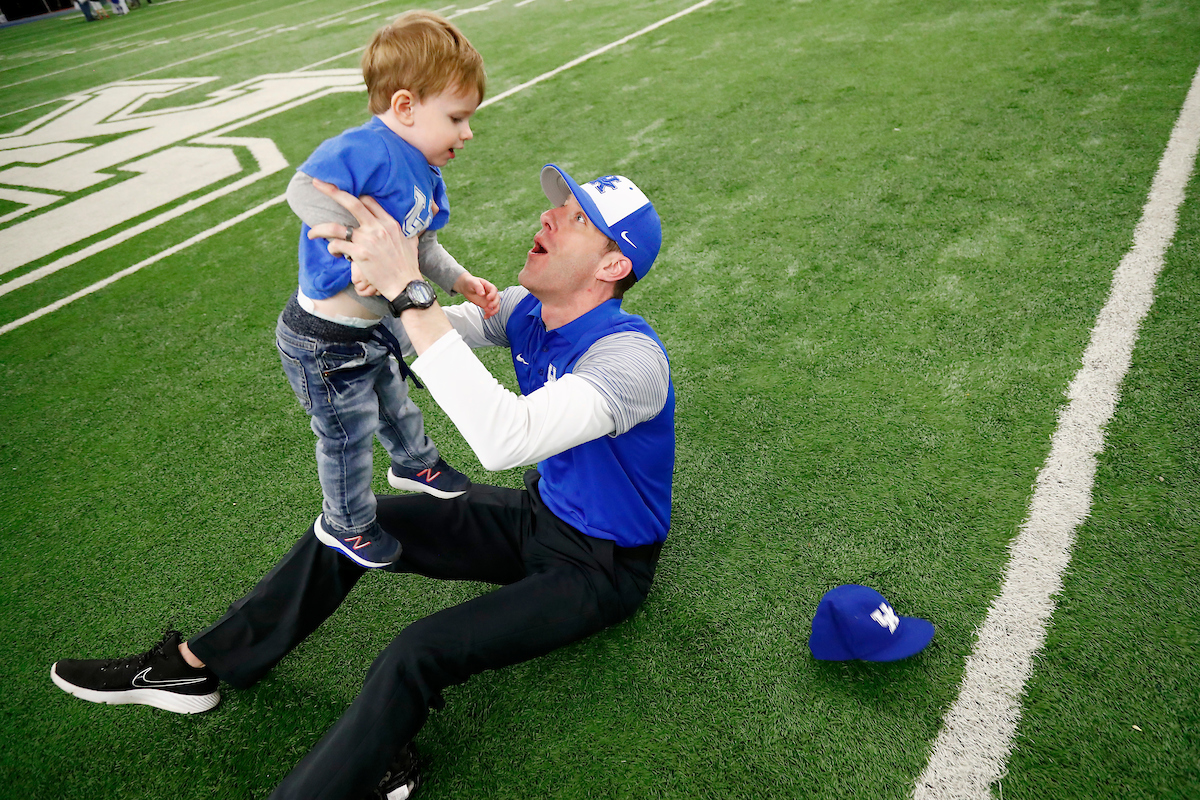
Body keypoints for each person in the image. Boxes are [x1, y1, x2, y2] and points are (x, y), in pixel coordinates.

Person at [51, 163, 674, 800]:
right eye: (558, 207)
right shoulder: (529, 313)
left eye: (574, 220)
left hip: (603, 567)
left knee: (418, 650)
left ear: (611, 267)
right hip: (539, 517)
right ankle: (193, 668)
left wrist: (409, 288)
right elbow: (418, 336)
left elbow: (504, 438)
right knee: (356, 523)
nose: (547, 216)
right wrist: (354, 293)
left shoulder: (631, 359)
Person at [279, 10, 499, 569]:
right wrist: (357, 239)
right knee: (348, 433)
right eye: (457, 117)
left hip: (375, 326)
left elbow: (418, 246)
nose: (468, 132)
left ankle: (414, 463)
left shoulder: (425, 169)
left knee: (395, 401)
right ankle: (345, 522)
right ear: (405, 107)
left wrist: (460, 279)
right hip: (324, 340)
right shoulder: (368, 147)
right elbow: (301, 189)